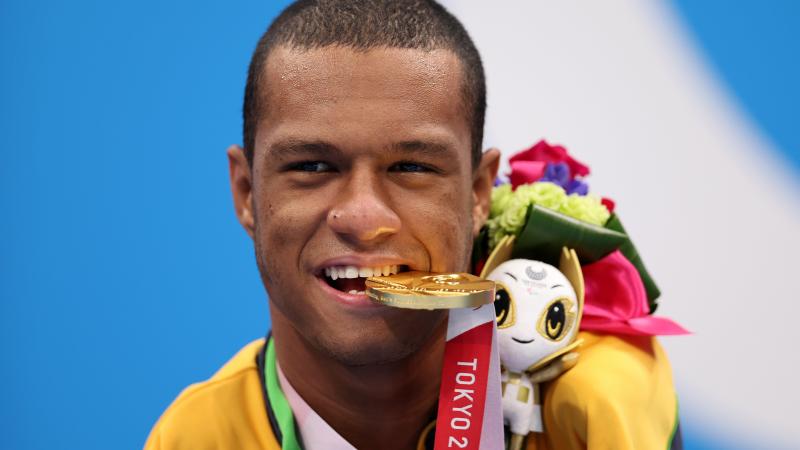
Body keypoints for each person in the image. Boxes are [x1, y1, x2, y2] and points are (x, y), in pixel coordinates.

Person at [145, 1, 681, 449]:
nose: (363, 218)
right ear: (246, 193)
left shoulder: (582, 420)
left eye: (412, 167)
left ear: (477, 194)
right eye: (312, 166)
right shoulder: (196, 438)